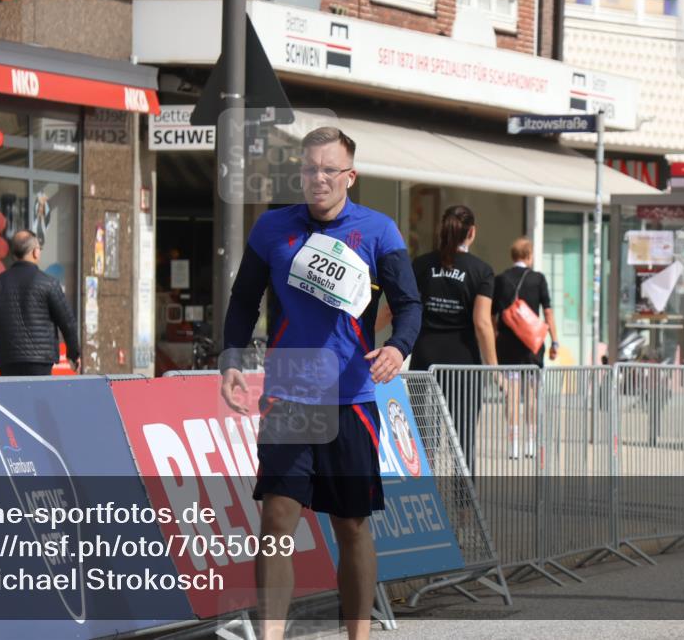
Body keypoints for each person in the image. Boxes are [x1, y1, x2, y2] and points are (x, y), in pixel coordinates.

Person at [219, 127, 422, 640]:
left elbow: (409, 305)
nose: (318, 179)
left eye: (329, 170)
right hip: (288, 393)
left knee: (350, 526)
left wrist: (398, 346)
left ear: (350, 176)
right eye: (310, 169)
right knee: (277, 525)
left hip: (350, 397)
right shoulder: (273, 228)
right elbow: (244, 299)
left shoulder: (379, 231)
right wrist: (231, 357)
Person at [411, 205, 497, 475]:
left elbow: (395, 308)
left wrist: (366, 337)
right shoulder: (481, 270)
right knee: (463, 441)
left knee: (424, 438)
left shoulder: (422, 264)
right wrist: (495, 368)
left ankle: (426, 501)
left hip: (424, 359)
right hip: (463, 364)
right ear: (471, 233)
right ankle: (464, 512)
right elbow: (482, 323)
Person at [0, 230, 80, 376]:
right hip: (41, 361)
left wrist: (4, 327)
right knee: (38, 398)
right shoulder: (49, 284)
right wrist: (73, 354)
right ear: (35, 252)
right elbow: (68, 322)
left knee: (9, 399)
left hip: (7, 359)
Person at [492, 237, 559, 459]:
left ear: (513, 256)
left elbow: (493, 316)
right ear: (529, 255)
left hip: (507, 347)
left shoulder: (501, 280)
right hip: (532, 346)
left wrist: (495, 337)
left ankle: (513, 445)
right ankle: (531, 443)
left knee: (511, 396)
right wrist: (554, 341)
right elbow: (547, 312)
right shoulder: (538, 279)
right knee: (532, 396)